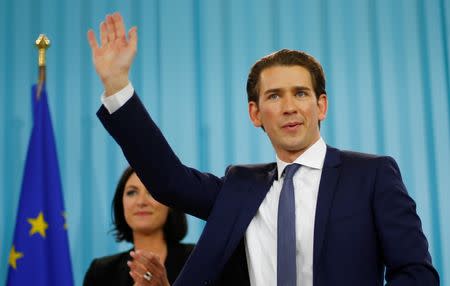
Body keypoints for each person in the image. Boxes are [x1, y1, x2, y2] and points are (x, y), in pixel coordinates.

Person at [87, 12, 440, 286]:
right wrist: (118, 87)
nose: (289, 107)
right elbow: (168, 180)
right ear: (255, 113)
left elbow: (416, 272)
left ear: (321, 106)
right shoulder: (241, 185)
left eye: (300, 93)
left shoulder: (372, 175)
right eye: (274, 95)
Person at [83, 166, 194, 286]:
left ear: (170, 204)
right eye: (132, 192)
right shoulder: (100, 271)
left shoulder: (198, 260)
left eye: (152, 192)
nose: (141, 202)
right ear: (121, 204)